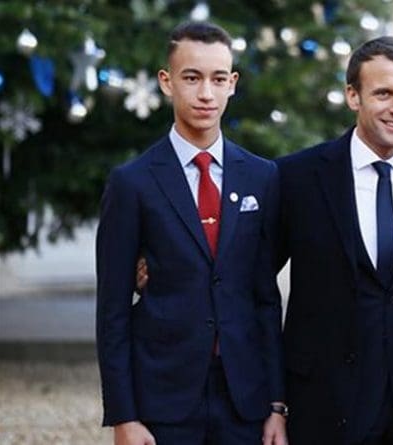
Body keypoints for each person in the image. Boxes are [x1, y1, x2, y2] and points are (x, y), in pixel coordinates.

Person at [96, 21, 287, 445]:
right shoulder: (133, 183)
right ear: (166, 82)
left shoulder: (262, 177)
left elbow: (265, 298)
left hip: (245, 398)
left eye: (218, 79)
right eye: (192, 78)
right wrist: (124, 416)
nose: (206, 93)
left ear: (232, 83)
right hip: (163, 398)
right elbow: (111, 309)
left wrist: (276, 404)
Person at [276, 36, 393, 445]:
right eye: (383, 93)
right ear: (352, 95)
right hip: (325, 407)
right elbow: (249, 284)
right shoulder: (296, 179)